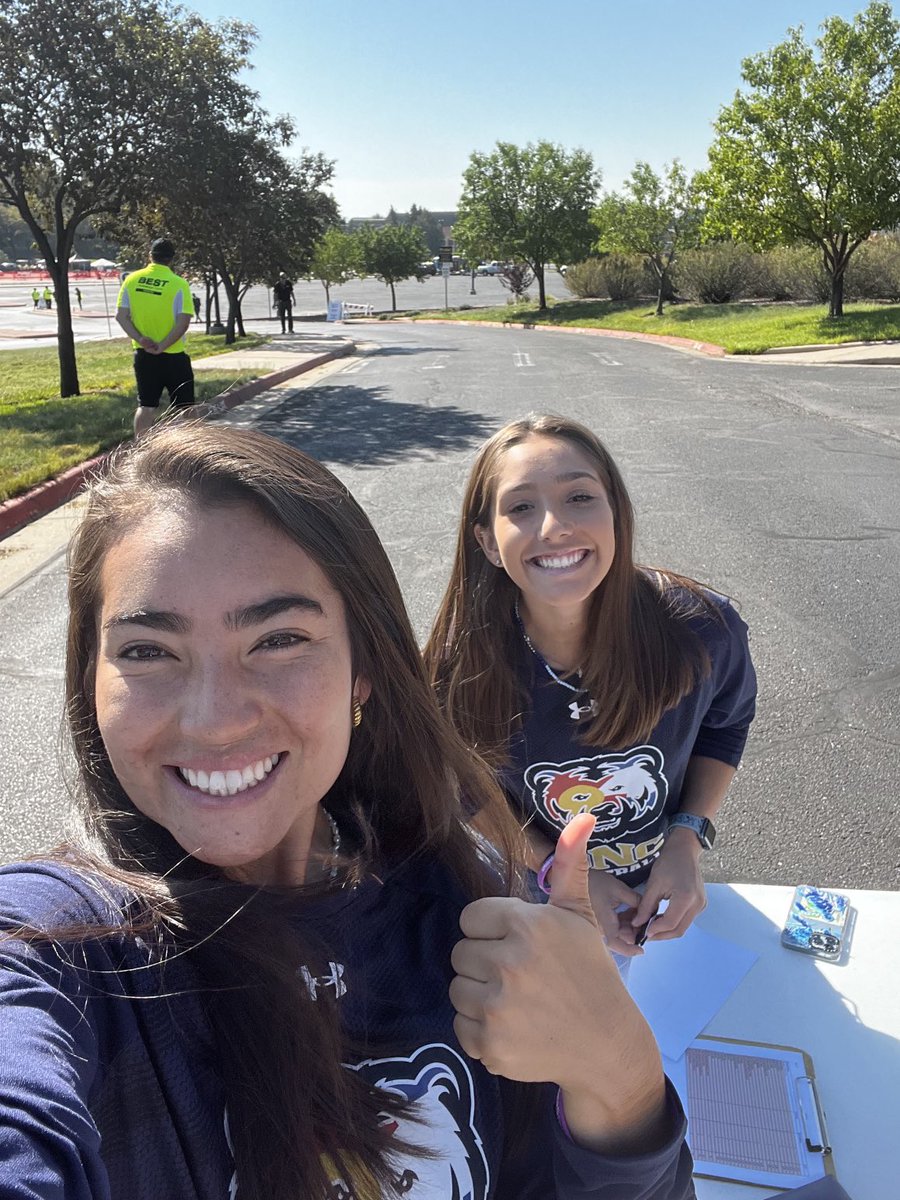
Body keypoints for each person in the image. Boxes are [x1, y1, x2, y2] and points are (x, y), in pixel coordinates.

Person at [0, 424, 693, 1200]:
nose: (214, 719)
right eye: (146, 651)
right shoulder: (61, 942)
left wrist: (623, 1075)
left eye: (280, 638)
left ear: (363, 668)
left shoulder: (471, 898)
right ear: (90, 679)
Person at [425, 414, 757, 959]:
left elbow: (725, 726)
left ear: (616, 514)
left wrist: (688, 837)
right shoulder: (456, 668)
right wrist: (553, 868)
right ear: (487, 541)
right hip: (535, 891)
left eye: (579, 497)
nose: (554, 526)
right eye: (522, 506)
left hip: (662, 884)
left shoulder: (702, 629)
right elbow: (464, 790)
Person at [115, 237, 195, 438]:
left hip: (144, 355)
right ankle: (187, 450)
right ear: (171, 259)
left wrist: (141, 339)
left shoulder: (131, 280)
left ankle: (141, 451)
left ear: (150, 255)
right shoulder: (179, 284)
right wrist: (162, 346)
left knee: (146, 405)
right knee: (186, 408)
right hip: (174, 355)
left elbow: (121, 317)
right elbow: (183, 322)